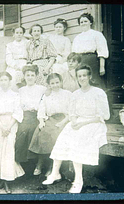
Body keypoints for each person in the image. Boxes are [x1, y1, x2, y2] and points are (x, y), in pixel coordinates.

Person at [42, 65, 110, 194]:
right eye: (79, 76)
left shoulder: (98, 92)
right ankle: (55, 173)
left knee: (78, 139)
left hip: (94, 123)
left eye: (85, 75)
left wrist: (83, 123)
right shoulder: (75, 94)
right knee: (63, 137)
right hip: (78, 122)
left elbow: (105, 116)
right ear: (77, 78)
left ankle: (78, 180)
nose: (82, 78)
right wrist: (73, 122)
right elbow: (72, 113)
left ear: (90, 76)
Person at [0, 72, 25, 194]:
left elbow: (18, 112)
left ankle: (8, 181)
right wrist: (2, 126)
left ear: (10, 81)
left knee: (8, 151)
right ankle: (0, 180)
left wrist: (8, 126)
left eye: (5, 80)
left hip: (11, 123)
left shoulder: (15, 95)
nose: (3, 82)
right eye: (1, 80)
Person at [29, 73, 72, 177]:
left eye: (57, 82)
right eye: (52, 83)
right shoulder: (47, 95)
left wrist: (63, 122)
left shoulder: (67, 94)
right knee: (42, 132)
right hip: (51, 119)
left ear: (61, 82)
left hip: (64, 119)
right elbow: (42, 109)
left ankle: (51, 167)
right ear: (49, 84)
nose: (55, 85)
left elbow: (71, 111)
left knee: (55, 136)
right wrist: (41, 121)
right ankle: (40, 163)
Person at [15, 65, 46, 164]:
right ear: (24, 76)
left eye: (32, 75)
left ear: (36, 76)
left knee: (34, 132)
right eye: (27, 75)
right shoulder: (21, 90)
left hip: (37, 116)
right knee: (22, 133)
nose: (30, 77)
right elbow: (18, 106)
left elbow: (43, 104)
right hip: (24, 116)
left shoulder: (42, 89)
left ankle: (36, 164)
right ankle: (23, 164)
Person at [72, 13, 109, 90]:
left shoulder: (97, 34)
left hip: (92, 60)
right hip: (80, 61)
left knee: (94, 81)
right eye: (81, 22)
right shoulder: (77, 37)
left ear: (90, 22)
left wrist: (102, 67)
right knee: (82, 81)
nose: (83, 23)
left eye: (85, 21)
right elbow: (74, 53)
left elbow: (102, 50)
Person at [5, 26, 29, 90]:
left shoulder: (27, 43)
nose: (19, 34)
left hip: (25, 63)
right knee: (12, 77)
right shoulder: (9, 45)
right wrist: (15, 66)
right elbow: (8, 59)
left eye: (21, 33)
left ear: (23, 34)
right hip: (14, 65)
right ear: (13, 34)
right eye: (17, 32)